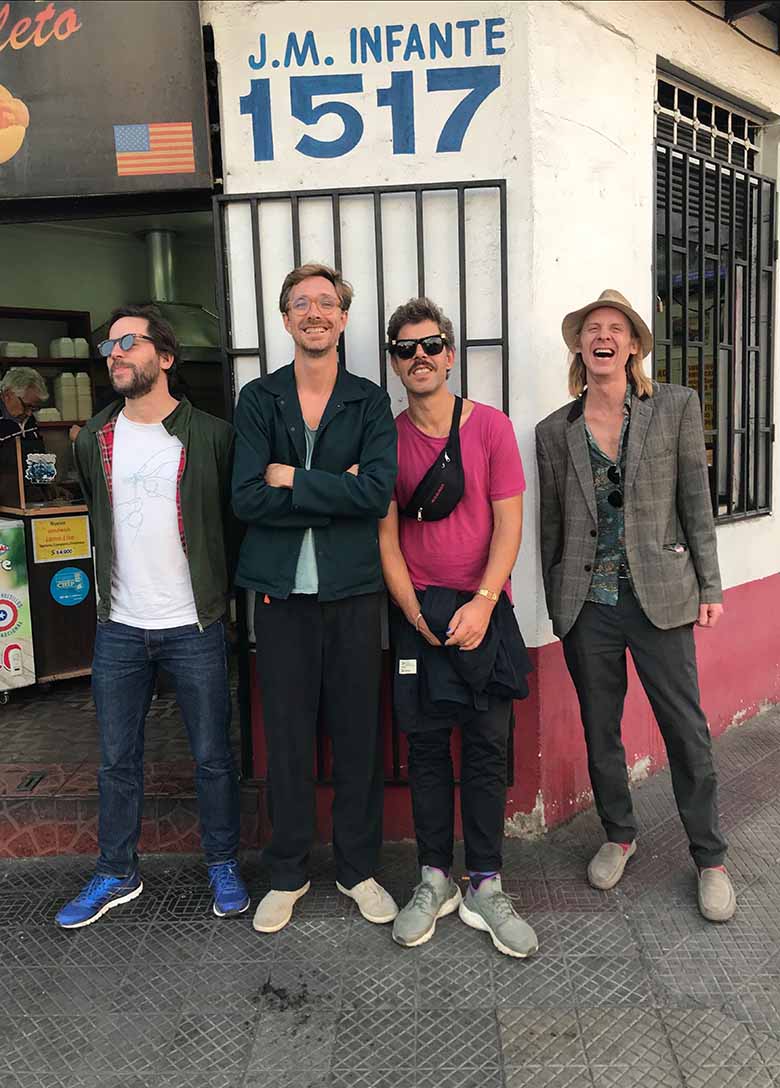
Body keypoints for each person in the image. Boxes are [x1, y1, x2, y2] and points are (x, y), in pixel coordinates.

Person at [535, 288, 735, 922]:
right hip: (588, 606)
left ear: (632, 346)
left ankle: (710, 857)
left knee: (686, 729)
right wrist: (559, 606)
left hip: (663, 598)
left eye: (615, 328)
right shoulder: (553, 431)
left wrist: (710, 587)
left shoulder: (674, 407)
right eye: (592, 328)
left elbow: (696, 503)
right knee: (601, 730)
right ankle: (619, 834)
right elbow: (551, 528)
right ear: (579, 346)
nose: (603, 336)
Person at [56, 304, 248, 928]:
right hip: (119, 626)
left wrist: (220, 597)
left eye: (129, 342)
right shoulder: (93, 439)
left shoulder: (212, 436)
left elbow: (231, 524)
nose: (114, 353)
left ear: (165, 357)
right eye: (108, 345)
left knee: (213, 756)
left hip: (195, 624)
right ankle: (117, 871)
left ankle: (222, 862)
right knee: (117, 760)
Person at [232, 263, 398, 933]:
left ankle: (358, 869)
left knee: (358, 735)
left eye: (326, 302)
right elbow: (247, 498)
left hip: (352, 591)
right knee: (288, 738)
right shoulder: (258, 398)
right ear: (285, 319)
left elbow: (377, 494)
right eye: (301, 303)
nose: (315, 313)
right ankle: (287, 872)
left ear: (343, 318)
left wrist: (292, 478)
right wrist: (335, 486)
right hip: (280, 597)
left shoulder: (368, 401)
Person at [378, 296, 537, 958]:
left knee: (487, 747)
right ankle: (434, 878)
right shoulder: (386, 438)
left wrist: (483, 601)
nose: (420, 357)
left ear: (449, 354)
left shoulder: (491, 428)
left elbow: (509, 525)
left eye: (431, 345)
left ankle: (487, 884)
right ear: (395, 363)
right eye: (406, 349)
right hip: (418, 616)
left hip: (484, 612)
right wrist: (414, 613)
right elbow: (386, 539)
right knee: (423, 748)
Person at [0, 366, 47, 448]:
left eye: (33, 408)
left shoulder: (28, 418)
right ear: (7, 395)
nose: (29, 413)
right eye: (26, 405)